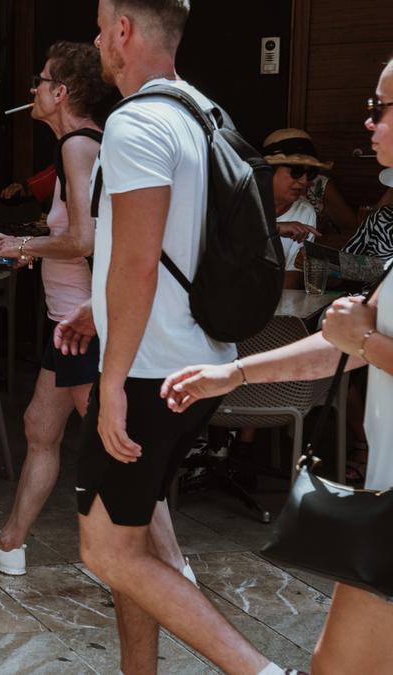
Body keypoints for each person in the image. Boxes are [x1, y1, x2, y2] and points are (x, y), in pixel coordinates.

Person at [55, 1, 297, 673]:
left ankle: (261, 671)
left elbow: (136, 262)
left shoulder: (134, 124)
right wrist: (98, 315)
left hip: (147, 371)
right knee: (140, 541)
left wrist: (109, 384)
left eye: (103, 26)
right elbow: (166, 248)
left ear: (125, 30)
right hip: (198, 358)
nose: (99, 39)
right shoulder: (200, 112)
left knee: (105, 549)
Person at [163, 62, 393, 674]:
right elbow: (338, 342)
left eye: (383, 108)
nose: (369, 121)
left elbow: (356, 342)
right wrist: (233, 376)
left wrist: (365, 345)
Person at [0, 41, 194, 583]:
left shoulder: (76, 147)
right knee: (40, 426)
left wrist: (22, 247)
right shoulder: (81, 145)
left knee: (120, 448)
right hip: (67, 319)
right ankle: (10, 544)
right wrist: (39, 243)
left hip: (81, 323)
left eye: (40, 82)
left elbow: (85, 241)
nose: (33, 92)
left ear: (60, 92)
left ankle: (175, 567)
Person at [263, 128, 328, 288]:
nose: (304, 181)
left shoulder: (304, 212)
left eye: (311, 173)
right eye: (296, 171)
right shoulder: (239, 200)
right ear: (267, 171)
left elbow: (290, 279)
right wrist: (274, 229)